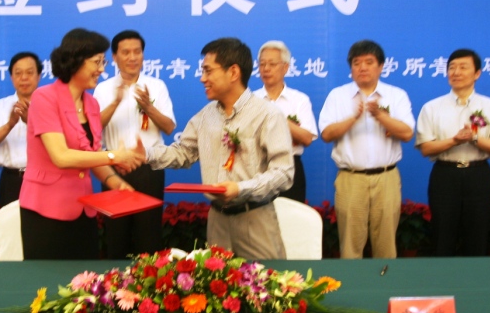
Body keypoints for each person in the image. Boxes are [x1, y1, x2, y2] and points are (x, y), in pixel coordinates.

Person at [144, 37, 294, 260]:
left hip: (255, 218)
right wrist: (145, 154)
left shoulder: (267, 114)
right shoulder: (206, 116)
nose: (202, 78)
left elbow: (283, 173)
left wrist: (240, 188)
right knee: (218, 281)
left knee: (266, 280)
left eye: (208, 71)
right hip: (217, 221)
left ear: (233, 72)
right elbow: (183, 152)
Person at [19, 28, 144, 260]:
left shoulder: (92, 104)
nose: (102, 69)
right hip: (45, 210)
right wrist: (114, 156)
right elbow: (61, 156)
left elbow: (92, 154)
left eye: (103, 62)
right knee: (46, 279)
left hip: (84, 210)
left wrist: (117, 183)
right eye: (96, 62)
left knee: (84, 278)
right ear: (75, 61)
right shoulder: (44, 97)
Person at [319, 40, 414, 259]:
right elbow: (326, 134)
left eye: (369, 62)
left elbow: (407, 133)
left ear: (381, 66)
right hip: (351, 178)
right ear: (351, 68)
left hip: (386, 177)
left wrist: (380, 115)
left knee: (386, 245)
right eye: (356, 63)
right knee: (350, 245)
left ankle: (386, 280)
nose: (362, 67)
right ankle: (351, 282)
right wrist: (353, 117)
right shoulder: (338, 96)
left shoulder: (396, 95)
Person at [415, 49, 490, 256]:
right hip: (445, 175)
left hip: (479, 175)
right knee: (442, 234)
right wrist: (454, 141)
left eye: (463, 67)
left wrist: (474, 138)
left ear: (477, 73)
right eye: (452, 68)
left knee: (478, 235)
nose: (456, 72)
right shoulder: (432, 107)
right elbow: (426, 148)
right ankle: (443, 275)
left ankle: (475, 276)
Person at [94, 30, 176, 258]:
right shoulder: (103, 89)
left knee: (149, 237)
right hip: (114, 169)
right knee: (116, 236)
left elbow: (169, 127)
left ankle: (148, 279)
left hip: (149, 168)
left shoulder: (156, 86)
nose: (132, 57)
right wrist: (115, 102)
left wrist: (149, 107)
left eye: (137, 52)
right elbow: (93, 128)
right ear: (114, 57)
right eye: (126, 52)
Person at [253, 40, 318, 203]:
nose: (266, 69)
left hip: (290, 166)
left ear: (286, 67)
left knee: (290, 217)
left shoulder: (299, 99)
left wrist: (277, 116)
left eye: (272, 64)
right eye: (262, 64)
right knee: (257, 216)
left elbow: (307, 139)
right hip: (257, 168)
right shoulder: (250, 100)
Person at [0, 51, 40, 207]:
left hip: (42, 179)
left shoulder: (51, 105)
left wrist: (30, 121)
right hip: (11, 180)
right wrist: (9, 125)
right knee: (10, 222)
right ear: (11, 77)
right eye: (18, 73)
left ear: (39, 76)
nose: (24, 78)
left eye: (29, 72)